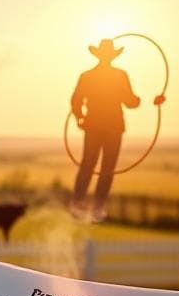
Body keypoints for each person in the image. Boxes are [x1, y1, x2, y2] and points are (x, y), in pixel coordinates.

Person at [70, 38, 165, 222]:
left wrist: (79, 117)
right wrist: (151, 100)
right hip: (113, 126)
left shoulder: (87, 76)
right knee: (106, 167)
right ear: (112, 56)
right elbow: (130, 101)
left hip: (94, 125)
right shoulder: (119, 75)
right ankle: (97, 206)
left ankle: (79, 202)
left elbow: (76, 101)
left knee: (89, 163)